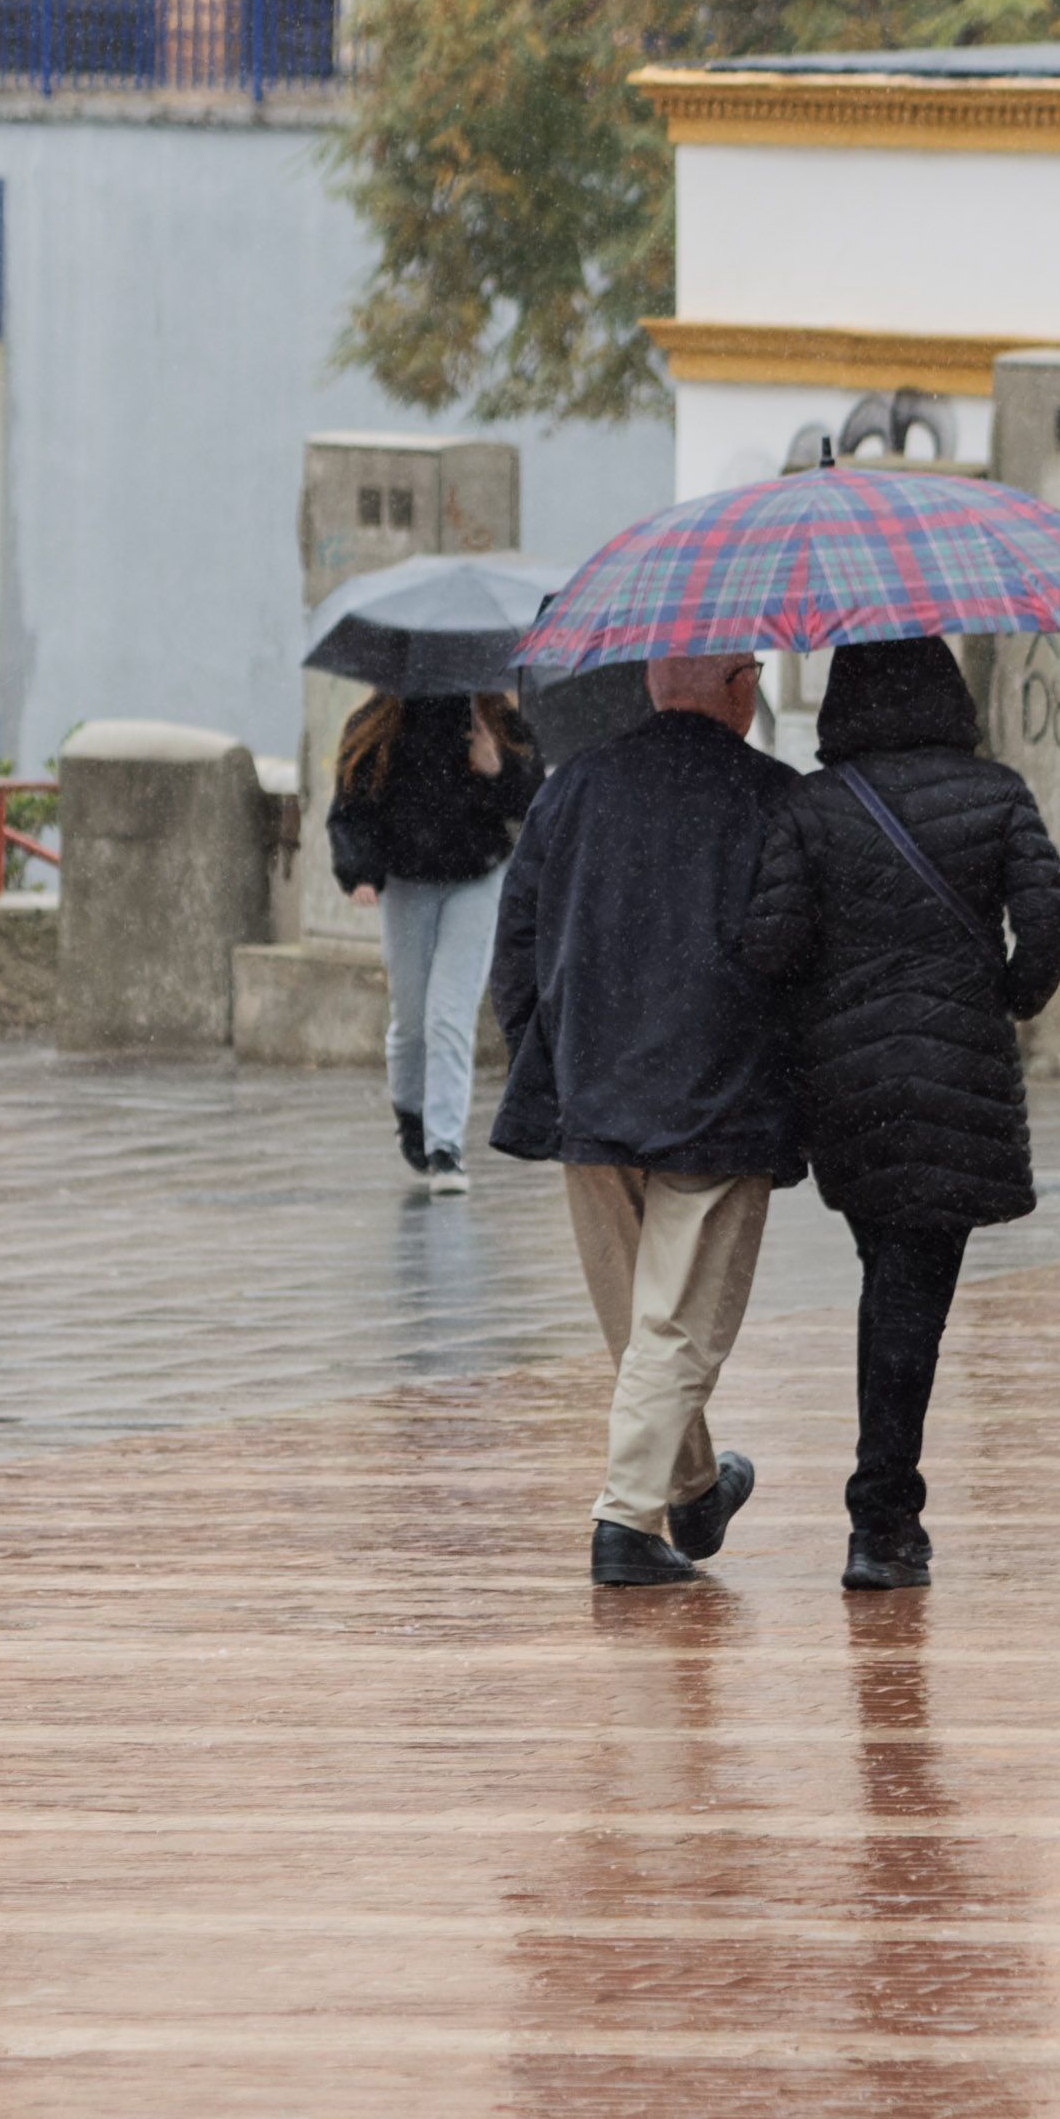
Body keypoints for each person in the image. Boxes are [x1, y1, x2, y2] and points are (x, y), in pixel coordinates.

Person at [736, 638, 1060, 1591]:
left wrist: (830, 1000)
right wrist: (1003, 995)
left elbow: (769, 944)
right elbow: (1053, 916)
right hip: (956, 1074)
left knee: (893, 1280)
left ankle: (885, 1508)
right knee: (910, 1294)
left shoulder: (813, 807)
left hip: (848, 1086)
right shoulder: (996, 793)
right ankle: (881, 1520)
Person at [491, 652, 804, 1586]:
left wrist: (550, 1053)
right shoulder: (774, 798)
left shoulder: (572, 787)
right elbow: (798, 950)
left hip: (591, 1093)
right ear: (738, 686)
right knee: (672, 1326)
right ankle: (625, 1523)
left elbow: (517, 947)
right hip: (720, 1092)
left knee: (642, 1323)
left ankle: (696, 1487)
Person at [329, 690, 543, 1197]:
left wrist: (497, 770)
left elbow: (535, 801)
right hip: (407, 880)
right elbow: (351, 807)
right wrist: (358, 870)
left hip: (478, 875)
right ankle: (410, 1110)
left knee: (449, 1012)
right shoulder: (377, 723)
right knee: (410, 1012)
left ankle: (446, 1145)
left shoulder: (493, 719)